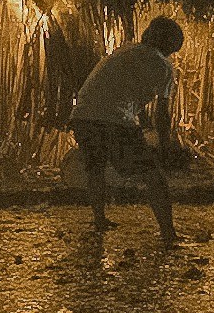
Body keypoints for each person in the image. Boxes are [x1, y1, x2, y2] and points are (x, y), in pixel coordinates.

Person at [68, 16, 183, 245]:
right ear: (170, 45)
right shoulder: (163, 66)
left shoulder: (123, 53)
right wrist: (165, 144)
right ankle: (168, 233)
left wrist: (142, 123)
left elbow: (126, 92)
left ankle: (99, 220)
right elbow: (162, 113)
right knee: (154, 177)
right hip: (113, 120)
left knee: (96, 169)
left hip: (82, 117)